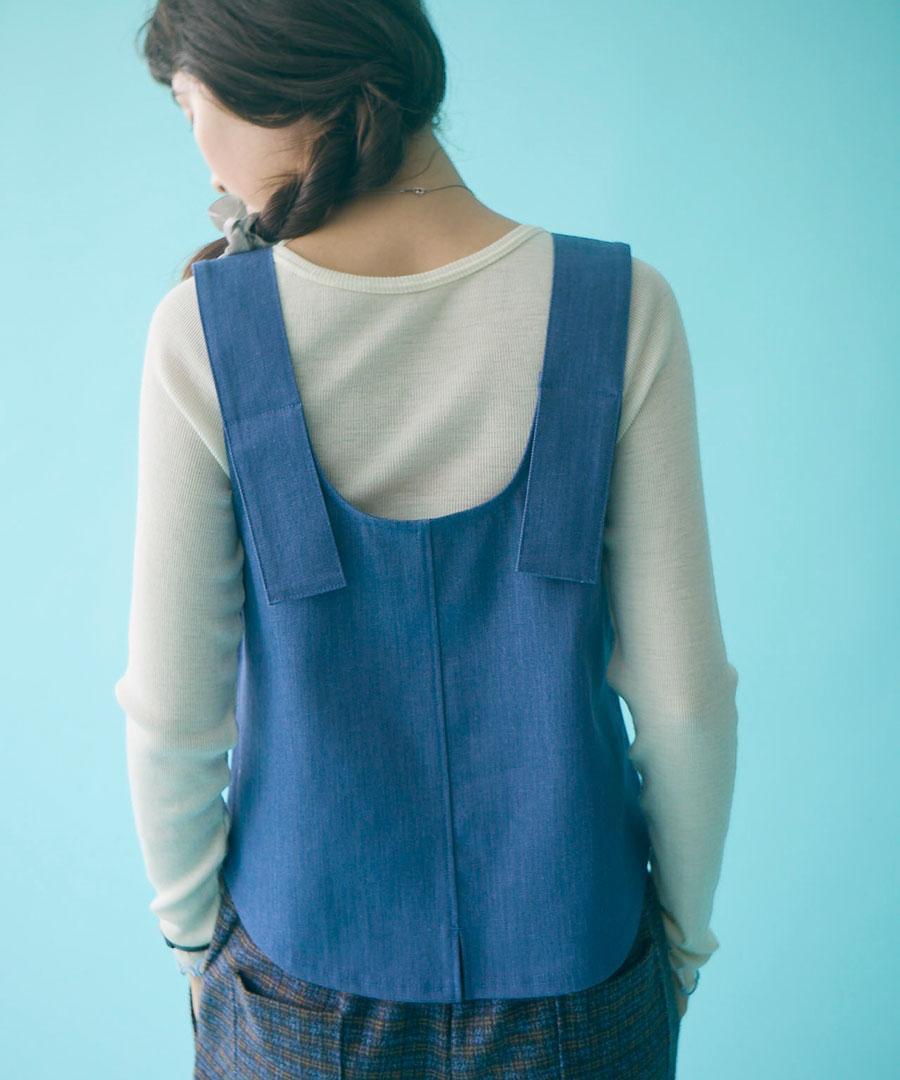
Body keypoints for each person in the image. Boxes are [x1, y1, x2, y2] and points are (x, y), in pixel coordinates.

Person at [114, 2, 739, 1077]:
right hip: (583, 979)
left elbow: (174, 715)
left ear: (271, 92)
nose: (202, 153)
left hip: (294, 988)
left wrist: (193, 947)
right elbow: (684, 702)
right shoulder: (623, 306)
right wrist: (679, 946)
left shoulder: (203, 331)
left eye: (190, 107)